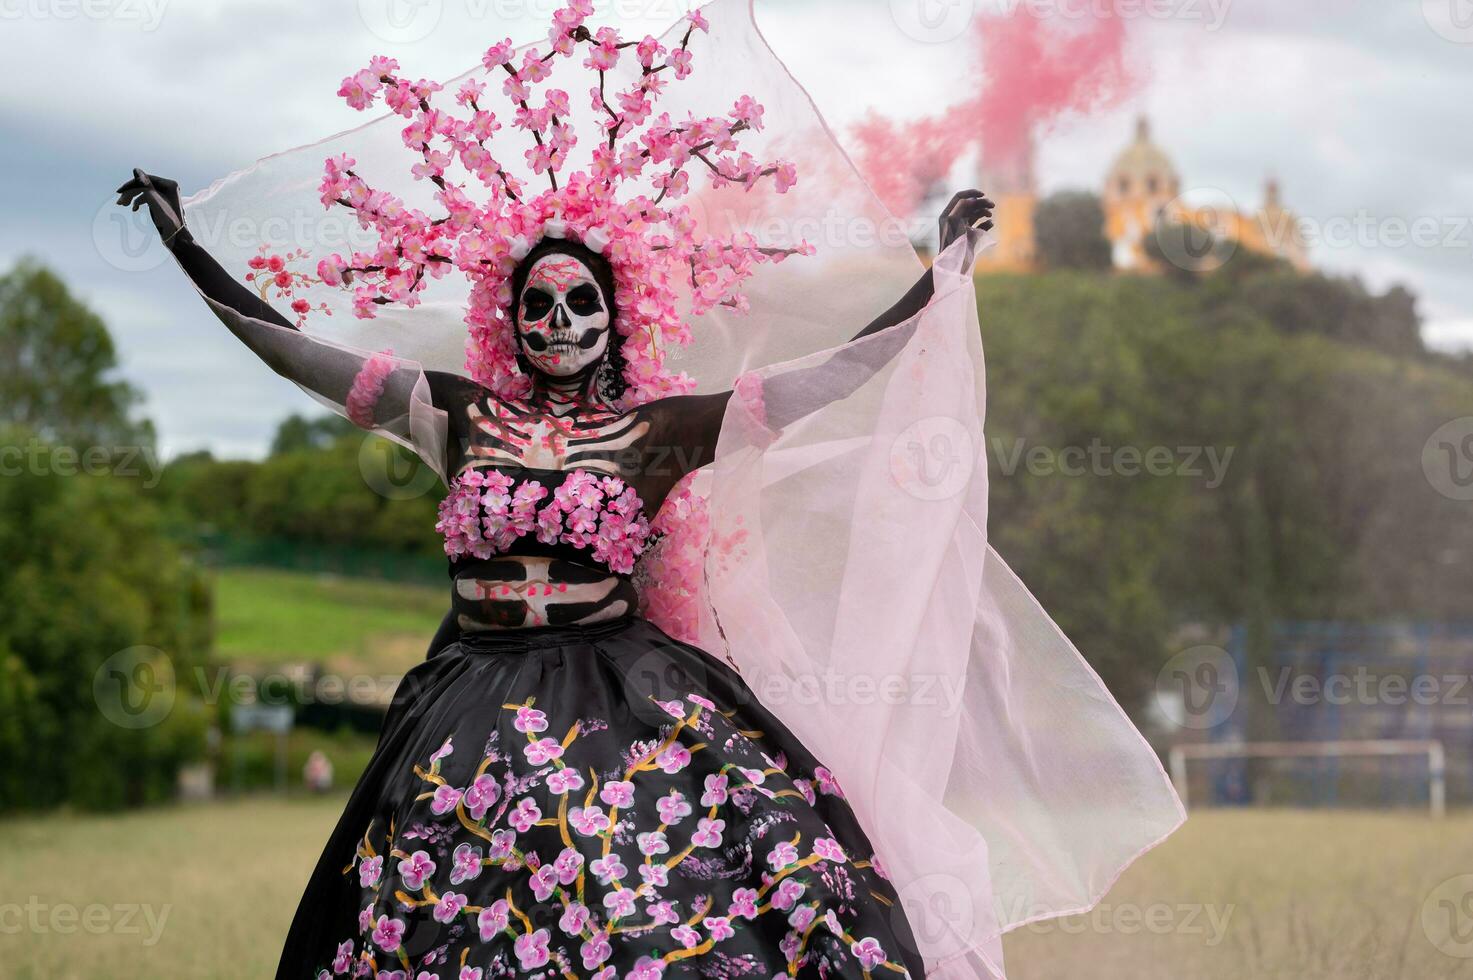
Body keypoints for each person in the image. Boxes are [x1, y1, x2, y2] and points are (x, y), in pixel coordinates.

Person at [118, 3, 1182, 976]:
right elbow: (296, 353)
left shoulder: (660, 431)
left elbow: (825, 380)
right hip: (471, 695)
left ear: (614, 314)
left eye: (582, 302)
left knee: (661, 909)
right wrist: (190, 251)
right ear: (512, 316)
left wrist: (937, 278)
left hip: (624, 692)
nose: (561, 322)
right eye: (540, 305)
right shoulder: (454, 411)